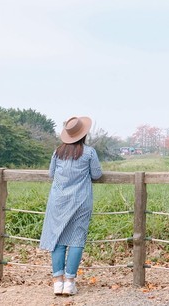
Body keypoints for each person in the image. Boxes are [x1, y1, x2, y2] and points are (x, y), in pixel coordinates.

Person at [39, 116, 103, 296]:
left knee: (57, 239)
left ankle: (57, 283)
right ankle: (69, 282)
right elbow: (97, 174)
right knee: (76, 239)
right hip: (80, 201)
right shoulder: (89, 152)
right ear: (84, 134)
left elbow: (51, 173)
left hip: (58, 201)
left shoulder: (57, 152)